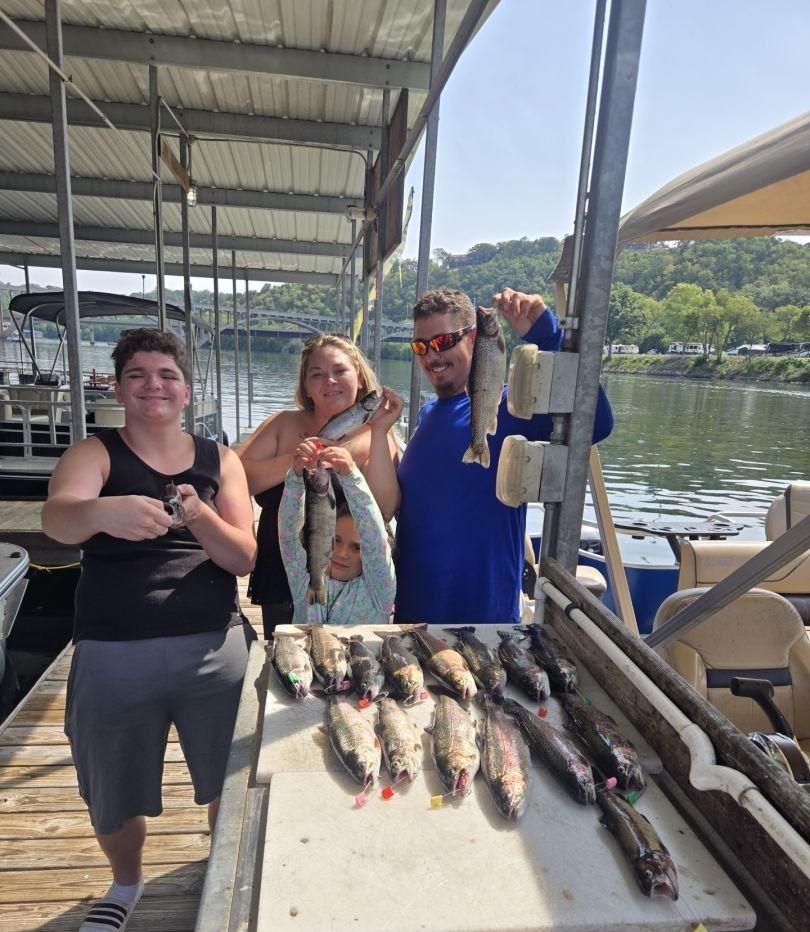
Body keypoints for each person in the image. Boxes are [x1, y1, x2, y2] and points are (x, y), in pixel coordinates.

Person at [41, 328, 257, 932]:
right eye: (137, 375)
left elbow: (244, 557)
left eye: (166, 375)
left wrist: (200, 514)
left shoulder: (221, 459)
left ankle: (223, 870)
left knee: (228, 780)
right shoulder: (96, 453)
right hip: (111, 648)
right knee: (112, 785)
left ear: (187, 390)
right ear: (119, 386)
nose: (152, 385)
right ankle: (125, 885)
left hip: (214, 644)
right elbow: (58, 519)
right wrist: (102, 512)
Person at [394, 287, 614, 626]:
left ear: (474, 338)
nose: (431, 356)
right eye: (421, 347)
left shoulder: (513, 407)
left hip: (484, 625)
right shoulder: (425, 417)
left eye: (442, 342)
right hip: (412, 620)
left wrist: (547, 336)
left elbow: (596, 424)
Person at [237, 333, 402, 634]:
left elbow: (385, 509)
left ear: (360, 380)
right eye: (318, 374)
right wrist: (297, 461)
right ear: (307, 387)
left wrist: (378, 432)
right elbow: (236, 478)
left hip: (349, 587)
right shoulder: (283, 424)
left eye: (340, 371)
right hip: (282, 571)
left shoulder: (377, 436)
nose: (330, 381)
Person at [279, 441, 396, 625]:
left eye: (356, 548)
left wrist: (351, 477)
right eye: (336, 541)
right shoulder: (303, 578)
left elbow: (374, 536)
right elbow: (288, 535)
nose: (342, 553)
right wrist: (296, 477)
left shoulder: (378, 590)